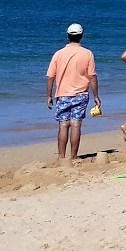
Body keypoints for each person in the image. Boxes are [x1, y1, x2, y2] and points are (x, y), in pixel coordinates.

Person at [46, 23, 99, 162]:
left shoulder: (58, 54)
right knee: (76, 124)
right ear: (81, 36)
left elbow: (50, 76)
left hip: (62, 94)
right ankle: (73, 157)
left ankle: (61, 156)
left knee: (63, 125)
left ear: (68, 36)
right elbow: (92, 76)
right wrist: (96, 96)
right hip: (81, 94)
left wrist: (49, 95)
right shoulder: (87, 53)